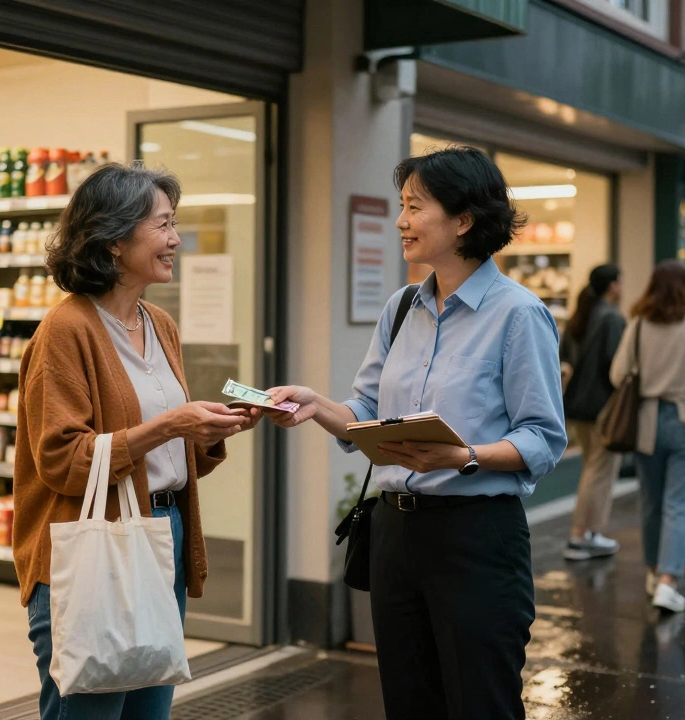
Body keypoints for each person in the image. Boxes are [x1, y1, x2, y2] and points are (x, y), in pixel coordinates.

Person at [268, 146, 567, 720]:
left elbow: (543, 438)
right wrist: (314, 404)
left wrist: (463, 456)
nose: (401, 220)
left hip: (476, 540)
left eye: (414, 207)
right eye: (401, 206)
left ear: (463, 220)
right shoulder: (402, 306)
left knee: (480, 703)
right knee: (409, 703)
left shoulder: (517, 315)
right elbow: (366, 411)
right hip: (395, 536)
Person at [14, 163, 261, 720]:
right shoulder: (66, 329)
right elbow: (62, 460)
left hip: (162, 536)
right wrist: (171, 425)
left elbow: (163, 454)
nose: (176, 239)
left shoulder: (159, 324)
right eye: (164, 225)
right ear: (114, 240)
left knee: (150, 711)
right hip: (93, 545)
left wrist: (212, 429)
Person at [609, 260, 685, 614]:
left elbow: (617, 375)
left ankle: (652, 572)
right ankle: (668, 582)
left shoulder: (638, 326)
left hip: (646, 423)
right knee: (679, 504)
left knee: (652, 502)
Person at [561, 264, 626, 561]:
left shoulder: (580, 315)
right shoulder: (611, 317)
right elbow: (616, 366)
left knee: (591, 468)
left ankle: (583, 533)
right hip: (602, 407)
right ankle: (585, 534)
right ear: (612, 285)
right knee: (599, 471)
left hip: (577, 405)